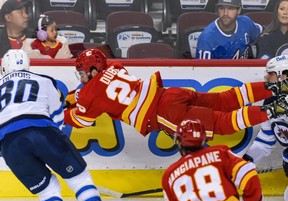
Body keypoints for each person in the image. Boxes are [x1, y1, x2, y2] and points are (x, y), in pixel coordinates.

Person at [64, 48, 288, 140]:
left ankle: (272, 110)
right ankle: (276, 87)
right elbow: (103, 87)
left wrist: (59, 112)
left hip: (163, 113)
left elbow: (80, 120)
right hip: (170, 94)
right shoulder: (116, 67)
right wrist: (78, 94)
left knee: (220, 123)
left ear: (93, 70)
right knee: (225, 99)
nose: (82, 78)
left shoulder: (89, 95)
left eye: (83, 73)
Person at [0, 49, 105, 201]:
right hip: (43, 132)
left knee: (47, 191)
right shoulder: (44, 80)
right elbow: (57, 118)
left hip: (10, 145)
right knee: (80, 180)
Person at [161, 119, 267, 201]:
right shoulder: (219, 153)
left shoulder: (169, 175)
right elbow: (248, 175)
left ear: (179, 142)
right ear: (204, 139)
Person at [244, 54, 288, 201]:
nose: (266, 78)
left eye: (270, 74)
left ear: (284, 76)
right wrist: (244, 161)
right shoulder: (271, 102)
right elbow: (265, 142)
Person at [196, 0, 262, 59]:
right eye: (222, 8)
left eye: (230, 8)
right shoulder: (206, 39)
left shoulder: (246, 22)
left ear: (238, 10)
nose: (225, 13)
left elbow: (263, 34)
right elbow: (204, 70)